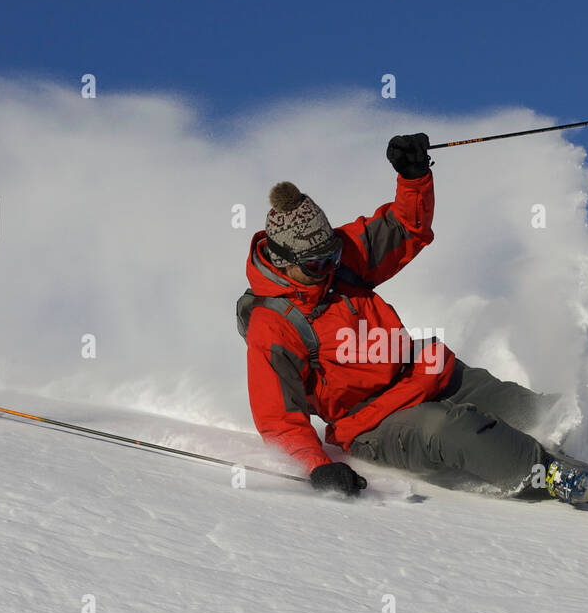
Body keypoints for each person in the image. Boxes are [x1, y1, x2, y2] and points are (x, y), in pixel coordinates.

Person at [238, 133, 563, 498]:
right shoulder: (272, 324)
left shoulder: (339, 259)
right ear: (285, 261)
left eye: (332, 255)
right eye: (317, 263)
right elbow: (278, 421)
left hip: (424, 373)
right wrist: (319, 467)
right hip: (373, 422)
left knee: (527, 408)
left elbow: (408, 227)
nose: (330, 266)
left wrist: (414, 177)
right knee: (455, 430)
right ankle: (552, 477)